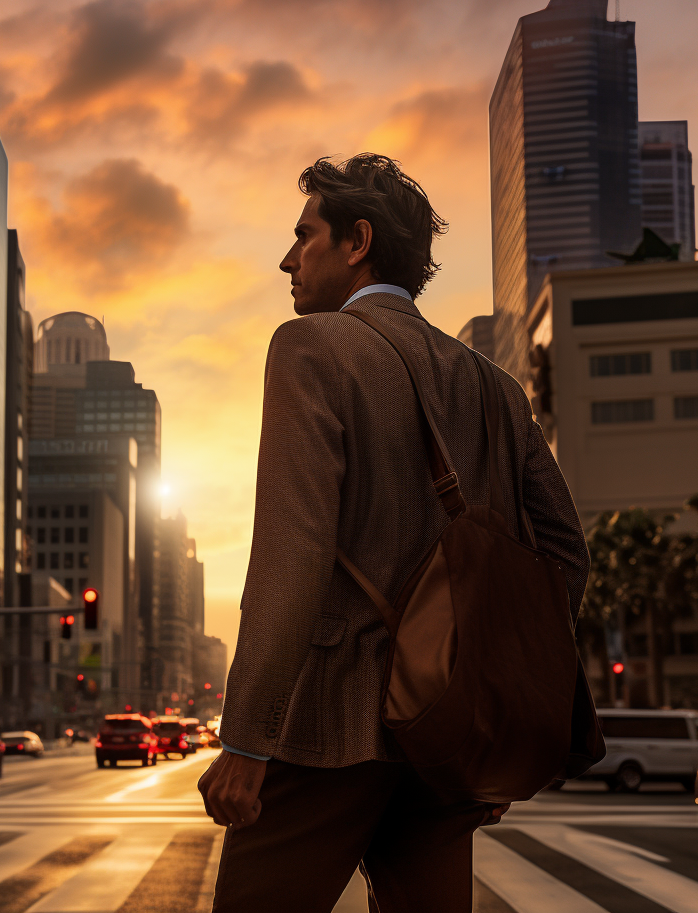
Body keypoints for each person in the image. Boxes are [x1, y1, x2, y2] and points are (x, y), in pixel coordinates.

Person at [199, 154, 589, 912]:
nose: (288, 257)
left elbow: (293, 555)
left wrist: (246, 742)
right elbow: (564, 557)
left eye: (304, 234)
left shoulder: (311, 347)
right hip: (447, 737)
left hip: (328, 728)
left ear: (358, 242)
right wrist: (497, 715)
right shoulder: (496, 388)